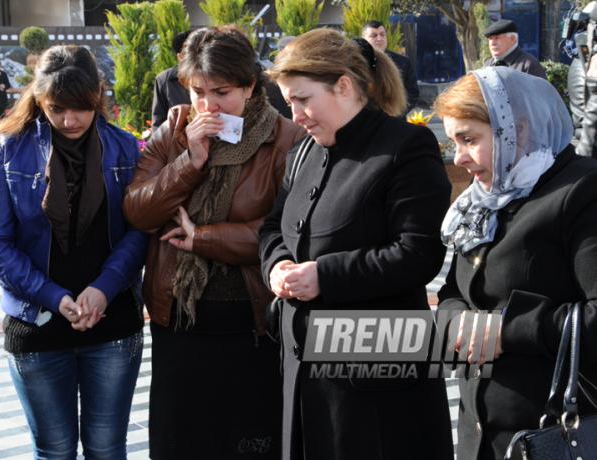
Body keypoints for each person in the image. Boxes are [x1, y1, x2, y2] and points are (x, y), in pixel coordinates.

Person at [259, 29, 454, 460]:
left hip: (377, 377)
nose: (295, 114)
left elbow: (418, 254)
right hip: (305, 371)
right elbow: (273, 226)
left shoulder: (407, 147)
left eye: (303, 99)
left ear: (344, 86)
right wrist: (276, 265)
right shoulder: (303, 151)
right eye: (288, 101)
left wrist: (324, 275)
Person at [122, 25, 305, 459]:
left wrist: (202, 238)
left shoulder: (285, 140)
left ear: (249, 85)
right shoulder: (175, 128)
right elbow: (138, 211)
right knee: (180, 442)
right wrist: (191, 161)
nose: (207, 105)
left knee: (249, 440)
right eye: (198, 91)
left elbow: (286, 234)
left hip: (252, 322)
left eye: (221, 92)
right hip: (179, 320)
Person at [0, 45, 149, 459]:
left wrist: (105, 288)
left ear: (98, 96)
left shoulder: (125, 148)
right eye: (56, 108)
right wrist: (54, 296)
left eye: (81, 108)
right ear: (39, 99)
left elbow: (139, 231)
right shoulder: (9, 148)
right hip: (37, 325)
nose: (69, 121)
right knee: (53, 451)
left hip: (112, 324)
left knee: (107, 450)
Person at [434, 66, 597, 460]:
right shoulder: (482, 201)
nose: (460, 159)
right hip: (481, 436)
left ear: (518, 130)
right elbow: (456, 291)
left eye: (470, 140)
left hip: (554, 434)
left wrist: (510, 328)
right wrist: (456, 321)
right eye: (454, 142)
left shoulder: (581, 192)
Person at [362, 19, 419, 117]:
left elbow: (413, 93)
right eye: (373, 35)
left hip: (396, 120)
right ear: (364, 38)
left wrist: (394, 113)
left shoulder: (403, 62)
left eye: (382, 34)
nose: (379, 39)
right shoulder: (357, 63)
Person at [151, 30, 191, 132]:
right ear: (180, 57)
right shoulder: (164, 79)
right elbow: (158, 120)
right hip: (178, 142)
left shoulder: (213, 76)